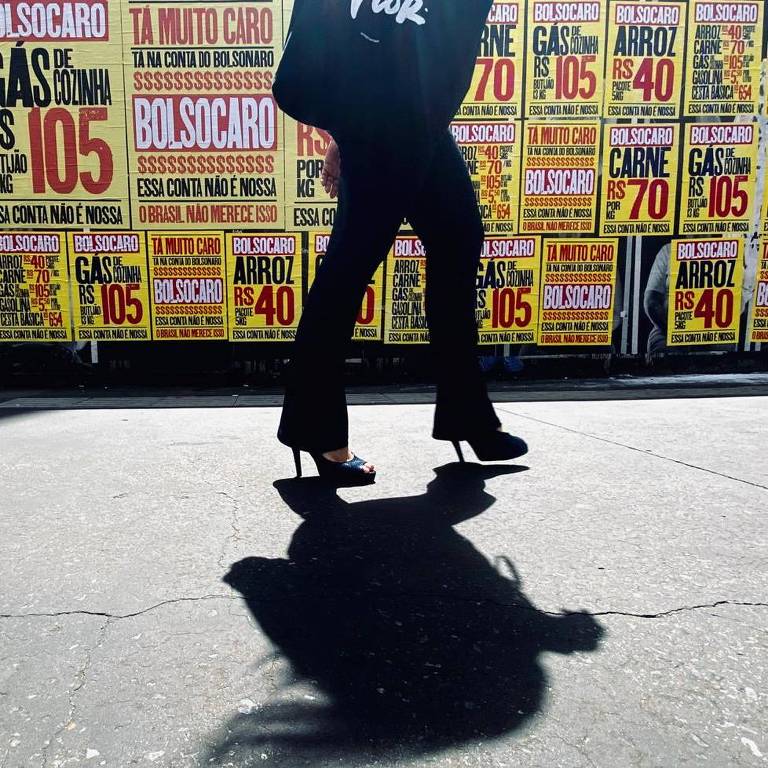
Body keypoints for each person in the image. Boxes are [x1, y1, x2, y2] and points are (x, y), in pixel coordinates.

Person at [276, 0, 528, 485]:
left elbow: (403, 49)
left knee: (457, 238)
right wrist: (348, 130)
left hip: (421, 126)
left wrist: (341, 133)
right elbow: (326, 50)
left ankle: (467, 415)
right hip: (384, 130)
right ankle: (318, 430)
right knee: (349, 269)